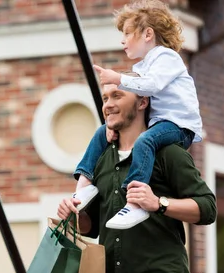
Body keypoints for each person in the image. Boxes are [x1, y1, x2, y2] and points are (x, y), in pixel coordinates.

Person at [58, 80, 216, 273]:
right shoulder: (102, 160)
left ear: (142, 102)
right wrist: (73, 213)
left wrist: (158, 202)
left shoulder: (168, 153)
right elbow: (92, 226)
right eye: (105, 98)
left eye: (118, 95)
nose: (108, 103)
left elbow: (208, 207)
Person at [73, 0, 203, 230]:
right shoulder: (145, 66)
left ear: (148, 34)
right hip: (161, 122)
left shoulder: (166, 57)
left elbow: (150, 87)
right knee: (104, 130)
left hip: (179, 126)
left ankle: (135, 203)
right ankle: (84, 183)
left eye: (127, 33)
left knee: (145, 141)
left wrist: (118, 79)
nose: (122, 40)